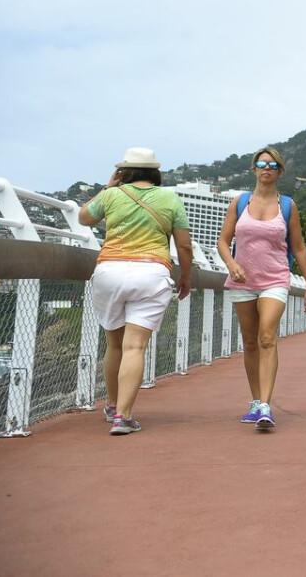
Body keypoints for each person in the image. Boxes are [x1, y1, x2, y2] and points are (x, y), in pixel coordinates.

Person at [79, 147, 193, 435]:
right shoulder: (170, 198)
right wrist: (186, 277)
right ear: (155, 171)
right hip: (150, 274)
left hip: (109, 272)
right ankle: (123, 416)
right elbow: (184, 245)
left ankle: (112, 404)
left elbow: (83, 218)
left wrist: (108, 187)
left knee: (115, 345)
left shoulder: (111, 195)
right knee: (134, 347)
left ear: (123, 171)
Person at [218, 148, 306, 430]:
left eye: (273, 165)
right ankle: (255, 400)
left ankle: (265, 405)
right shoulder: (240, 203)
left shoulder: (287, 205)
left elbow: (298, 246)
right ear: (254, 169)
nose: (267, 168)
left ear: (279, 171)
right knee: (249, 342)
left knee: (266, 336)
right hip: (242, 281)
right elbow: (224, 241)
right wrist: (231, 264)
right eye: (261, 164)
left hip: (275, 279)